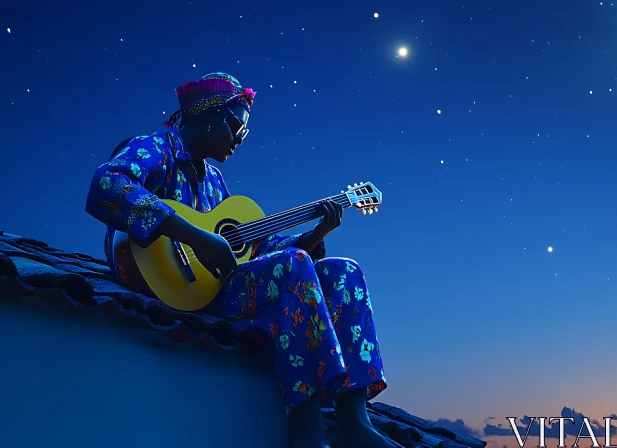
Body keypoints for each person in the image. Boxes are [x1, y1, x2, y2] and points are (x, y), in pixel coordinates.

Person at [84, 72, 397, 448]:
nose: (240, 138)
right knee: (295, 264)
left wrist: (315, 235)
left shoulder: (216, 182)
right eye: (237, 125)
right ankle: (305, 433)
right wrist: (197, 237)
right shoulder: (156, 147)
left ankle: (353, 422)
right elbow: (107, 185)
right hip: (162, 284)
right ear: (209, 115)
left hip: (214, 289)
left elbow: (259, 251)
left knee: (343, 272)